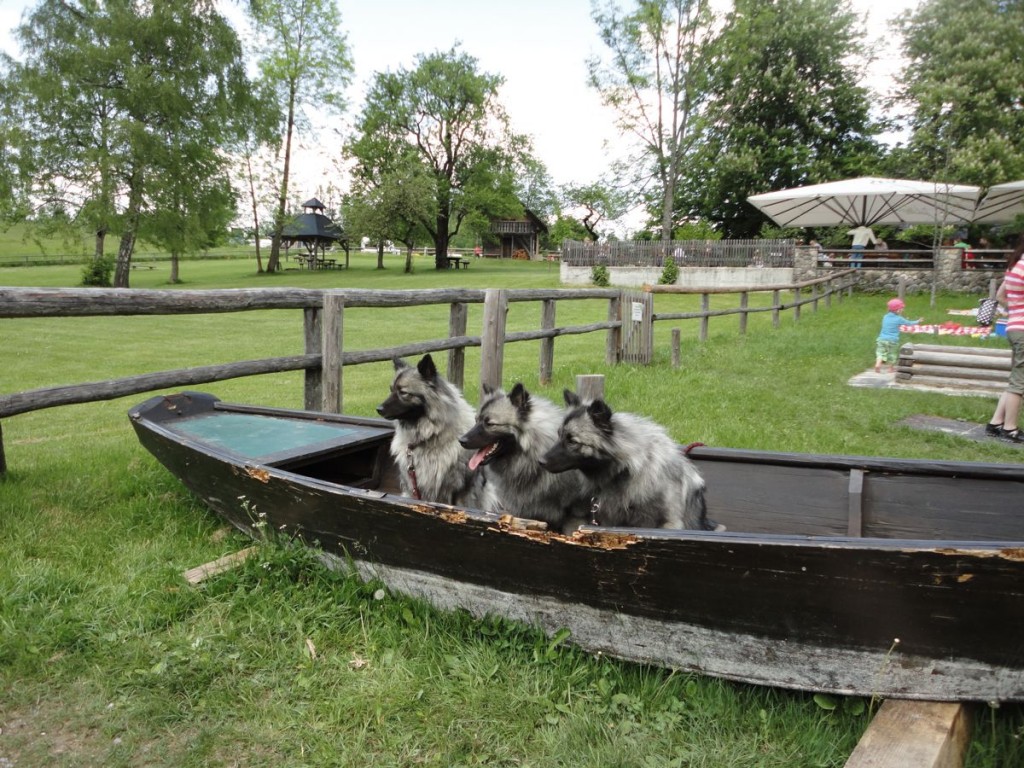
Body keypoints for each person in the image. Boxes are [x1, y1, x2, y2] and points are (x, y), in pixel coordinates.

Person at [985, 240, 1024, 442]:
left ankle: (995, 423)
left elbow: (1000, 295)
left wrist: (1016, 308)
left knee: (1016, 380)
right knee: (1020, 382)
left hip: (1014, 327)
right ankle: (1010, 429)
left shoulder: (1015, 265)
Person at [875, 298, 921, 374]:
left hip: (881, 339)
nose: (903, 309)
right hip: (892, 340)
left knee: (880, 352)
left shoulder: (885, 317)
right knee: (892, 354)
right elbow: (909, 323)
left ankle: (877, 364)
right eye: (902, 308)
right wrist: (917, 321)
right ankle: (890, 369)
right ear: (898, 310)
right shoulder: (899, 319)